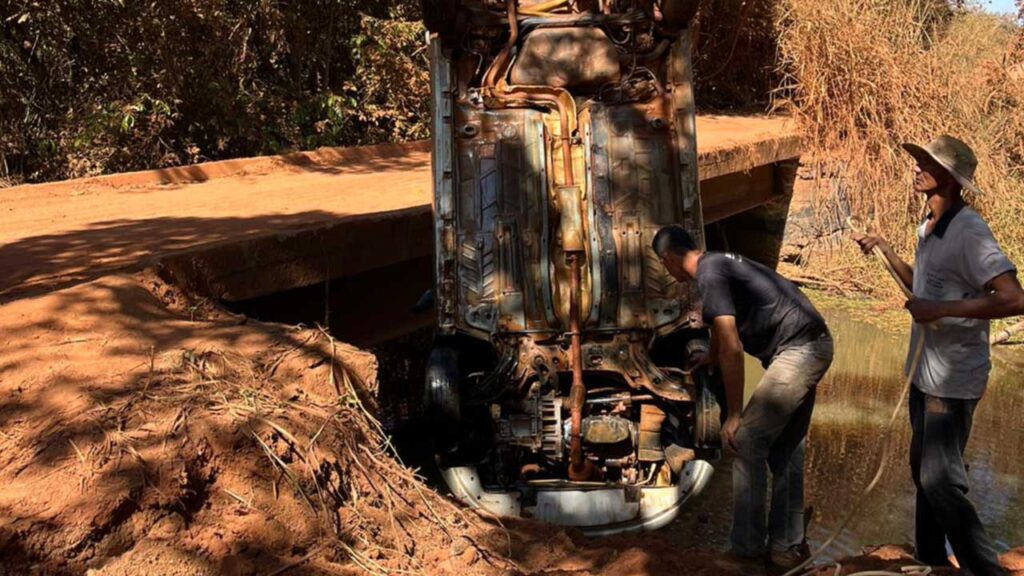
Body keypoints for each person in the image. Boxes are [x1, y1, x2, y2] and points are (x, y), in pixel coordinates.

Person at [854, 135, 1024, 576]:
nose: (916, 168)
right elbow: (923, 289)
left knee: (939, 478)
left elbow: (1013, 298)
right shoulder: (927, 228)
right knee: (921, 469)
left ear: (947, 178)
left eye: (925, 163)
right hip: (925, 375)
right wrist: (886, 250)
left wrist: (940, 309)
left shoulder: (969, 230)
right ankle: (930, 560)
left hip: (953, 379)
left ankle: (986, 569)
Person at [653, 225, 833, 574]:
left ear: (668, 259)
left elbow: (733, 348)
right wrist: (710, 356)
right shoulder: (717, 265)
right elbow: (723, 332)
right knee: (786, 448)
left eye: (664, 266)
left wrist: (734, 414)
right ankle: (785, 548)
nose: (667, 273)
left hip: (800, 349)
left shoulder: (708, 274)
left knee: (746, 440)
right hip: (813, 341)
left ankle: (746, 552)